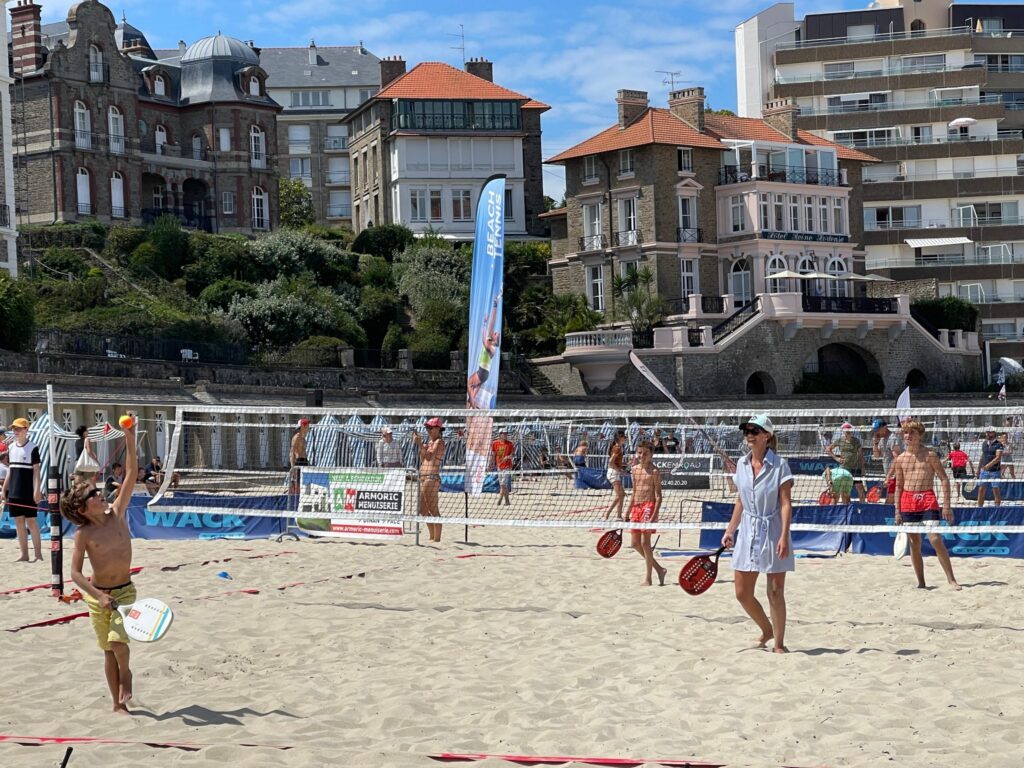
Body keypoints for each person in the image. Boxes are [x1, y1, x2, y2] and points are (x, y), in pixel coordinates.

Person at [60, 418, 139, 712]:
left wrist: (129, 438)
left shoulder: (115, 513)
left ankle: (127, 674)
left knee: (118, 644)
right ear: (82, 508)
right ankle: (118, 705)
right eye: (91, 495)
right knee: (108, 651)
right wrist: (98, 596)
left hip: (124, 593)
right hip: (98, 597)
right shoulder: (84, 534)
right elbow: (75, 574)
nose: (98, 494)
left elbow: (131, 474)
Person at [721, 414, 794, 654]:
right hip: (748, 530)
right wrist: (730, 530)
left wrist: (784, 535)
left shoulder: (780, 465)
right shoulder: (742, 465)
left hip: (773, 530)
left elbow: (785, 503)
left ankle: (779, 643)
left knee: (774, 591)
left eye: (755, 430)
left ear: (767, 435)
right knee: (742, 593)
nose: (749, 435)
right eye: (747, 431)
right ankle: (766, 628)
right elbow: (741, 500)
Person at [893, 419, 960, 590]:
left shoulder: (930, 455)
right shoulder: (900, 459)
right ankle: (921, 582)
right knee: (915, 544)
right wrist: (897, 511)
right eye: (905, 433)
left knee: (935, 539)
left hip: (928, 498)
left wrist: (946, 506)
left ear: (920, 435)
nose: (907, 436)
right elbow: (899, 486)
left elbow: (944, 479)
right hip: (908, 500)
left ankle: (951, 579)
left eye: (912, 433)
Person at [2, 418, 43, 562]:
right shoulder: (11, 447)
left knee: (31, 522)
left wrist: (37, 490)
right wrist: (4, 489)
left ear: (26, 430)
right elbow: (10, 470)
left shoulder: (33, 447)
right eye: (14, 429)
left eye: (19, 428)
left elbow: (37, 471)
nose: (16, 431)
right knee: (18, 522)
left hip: (28, 490)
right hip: (14, 491)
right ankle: (24, 554)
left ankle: (38, 554)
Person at [627, 440, 666, 586]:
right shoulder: (634, 469)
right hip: (636, 507)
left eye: (645, 453)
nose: (641, 456)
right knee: (635, 544)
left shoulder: (654, 471)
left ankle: (648, 579)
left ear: (651, 455)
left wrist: (655, 514)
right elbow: (634, 491)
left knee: (645, 543)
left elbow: (658, 496)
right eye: (639, 453)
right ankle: (659, 569)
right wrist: (627, 510)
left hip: (648, 506)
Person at [466, 292, 501, 409]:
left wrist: (484, 324)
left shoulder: (492, 348)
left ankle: (473, 404)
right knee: (475, 387)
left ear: (495, 339)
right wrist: (485, 322)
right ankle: (472, 404)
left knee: (469, 383)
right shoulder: (490, 343)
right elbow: (490, 326)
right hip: (484, 372)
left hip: (483, 371)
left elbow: (485, 337)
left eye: (496, 334)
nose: (495, 333)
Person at [414, 417, 445, 542]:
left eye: (430, 428)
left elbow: (430, 456)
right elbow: (423, 460)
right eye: (427, 428)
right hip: (425, 478)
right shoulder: (430, 443)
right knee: (423, 510)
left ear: (438, 429)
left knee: (433, 509)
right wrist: (421, 446)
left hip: (432, 479)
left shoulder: (439, 442)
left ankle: (437, 539)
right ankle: (432, 537)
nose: (428, 430)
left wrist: (420, 443)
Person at [828, 422, 865, 502]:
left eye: (849, 430)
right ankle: (846, 507)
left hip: (855, 468)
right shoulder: (840, 440)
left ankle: (863, 505)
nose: (848, 432)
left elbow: (861, 455)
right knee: (844, 490)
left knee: (860, 488)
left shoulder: (856, 441)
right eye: (846, 431)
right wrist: (836, 458)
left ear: (851, 431)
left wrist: (862, 468)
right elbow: (828, 449)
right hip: (844, 469)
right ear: (843, 431)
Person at [871, 419, 903, 502]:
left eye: (877, 430)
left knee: (890, 501)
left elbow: (897, 458)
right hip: (890, 475)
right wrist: (875, 443)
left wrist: (889, 476)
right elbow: (877, 456)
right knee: (891, 501)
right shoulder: (882, 440)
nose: (876, 433)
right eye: (875, 431)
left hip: (896, 475)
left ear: (885, 427)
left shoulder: (893, 438)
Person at [977, 427, 1003, 507]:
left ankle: (997, 509)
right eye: (987, 432)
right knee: (981, 490)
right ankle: (979, 509)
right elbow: (982, 456)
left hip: (995, 471)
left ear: (994, 433)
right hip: (984, 471)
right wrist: (978, 468)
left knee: (996, 490)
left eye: (989, 432)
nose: (987, 434)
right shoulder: (984, 443)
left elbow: (998, 457)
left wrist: (988, 465)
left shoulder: (999, 444)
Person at [604, 430, 627, 520]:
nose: (625, 438)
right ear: (619, 438)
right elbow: (610, 462)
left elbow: (615, 462)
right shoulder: (617, 448)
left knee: (622, 494)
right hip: (613, 473)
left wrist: (624, 464)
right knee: (619, 495)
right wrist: (619, 470)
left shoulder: (618, 447)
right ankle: (607, 513)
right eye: (624, 437)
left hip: (614, 472)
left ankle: (619, 516)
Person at [490, 429, 515, 506]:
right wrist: (491, 463)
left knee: (503, 484)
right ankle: (507, 501)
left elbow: (513, 455)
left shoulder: (510, 444)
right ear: (500, 434)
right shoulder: (495, 443)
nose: (505, 435)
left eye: (506, 433)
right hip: (499, 465)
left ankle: (500, 500)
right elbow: (493, 455)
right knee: (502, 485)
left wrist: (508, 457)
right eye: (503, 433)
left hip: (507, 466)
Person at [289, 418, 311, 492]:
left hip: (305, 462)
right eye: (307, 425)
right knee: (298, 485)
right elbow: (292, 452)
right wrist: (293, 468)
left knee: (306, 485)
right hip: (299, 462)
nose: (309, 427)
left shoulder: (303, 438)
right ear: (302, 426)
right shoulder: (296, 437)